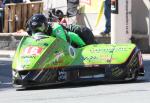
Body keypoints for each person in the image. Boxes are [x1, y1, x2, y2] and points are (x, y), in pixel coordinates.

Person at [26, 13, 96, 47]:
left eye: (40, 27)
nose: (38, 31)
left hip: (77, 34)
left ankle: (83, 46)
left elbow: (64, 44)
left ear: (46, 25)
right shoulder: (31, 31)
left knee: (77, 32)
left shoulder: (56, 29)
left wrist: (83, 46)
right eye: (35, 29)